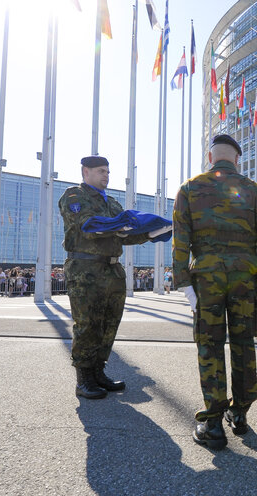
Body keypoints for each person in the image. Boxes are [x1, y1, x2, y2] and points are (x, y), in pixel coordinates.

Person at [173, 134, 257, 450]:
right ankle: (240, 413)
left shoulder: (189, 189)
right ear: (237, 159)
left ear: (210, 157)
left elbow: (180, 241)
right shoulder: (255, 191)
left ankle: (214, 422)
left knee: (210, 346)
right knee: (243, 344)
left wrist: (184, 284)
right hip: (245, 279)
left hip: (207, 279)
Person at [59, 155, 169, 400]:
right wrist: (119, 225)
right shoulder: (75, 196)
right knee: (88, 324)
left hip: (112, 270)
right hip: (85, 269)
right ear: (85, 172)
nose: (106, 176)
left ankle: (99, 372)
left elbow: (125, 235)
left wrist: (151, 232)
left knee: (109, 324)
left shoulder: (112, 204)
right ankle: (84, 378)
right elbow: (88, 225)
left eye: (107, 171)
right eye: (100, 171)